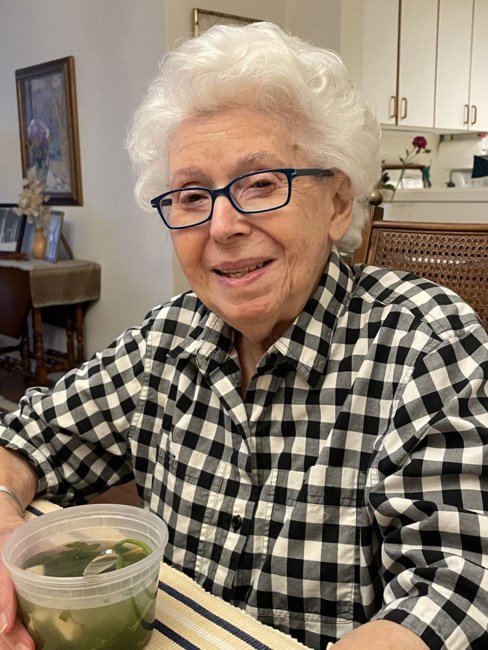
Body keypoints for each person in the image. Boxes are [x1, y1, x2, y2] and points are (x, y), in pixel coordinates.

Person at [1, 22, 487, 650]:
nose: (222, 226)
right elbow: (27, 437)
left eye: (260, 183)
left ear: (338, 202)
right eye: (190, 195)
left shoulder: (426, 344)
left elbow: (455, 585)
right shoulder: (166, 339)